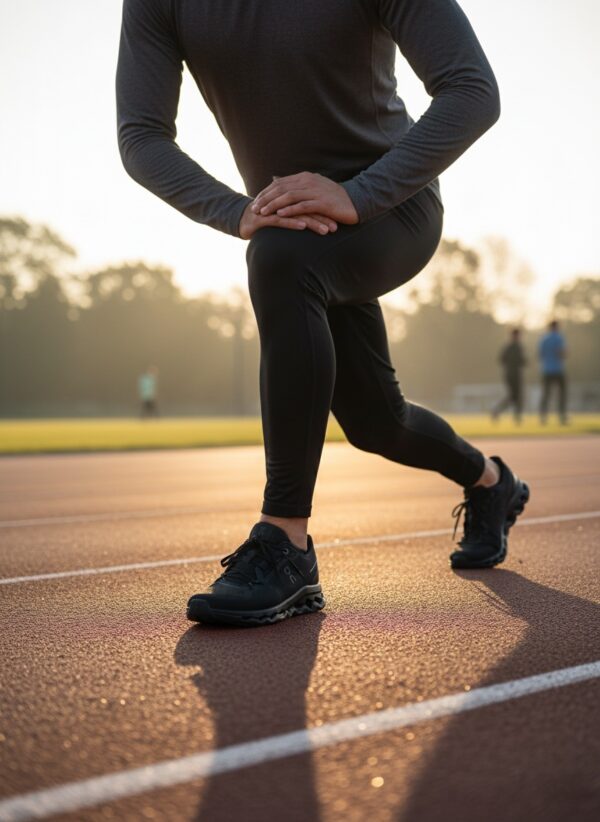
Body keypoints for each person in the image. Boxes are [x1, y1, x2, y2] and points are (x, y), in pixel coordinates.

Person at [116, 0, 530, 627]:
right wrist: (234, 210)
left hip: (391, 204)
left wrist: (358, 195)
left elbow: (472, 90)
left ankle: (286, 542)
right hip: (294, 224)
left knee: (279, 259)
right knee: (376, 422)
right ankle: (491, 482)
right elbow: (142, 134)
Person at [492, 328, 527, 423]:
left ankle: (498, 411)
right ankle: (515, 416)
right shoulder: (516, 347)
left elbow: (502, 359)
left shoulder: (509, 347)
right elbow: (522, 361)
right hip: (513, 375)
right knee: (516, 396)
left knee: (514, 397)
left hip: (510, 374)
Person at [539, 320, 568, 424]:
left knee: (546, 394)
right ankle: (562, 416)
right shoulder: (559, 338)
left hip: (546, 370)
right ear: (556, 327)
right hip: (558, 369)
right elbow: (562, 353)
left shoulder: (544, 339)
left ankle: (543, 416)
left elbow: (540, 354)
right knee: (562, 394)